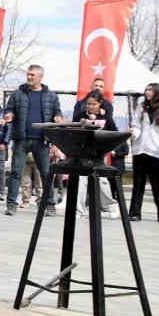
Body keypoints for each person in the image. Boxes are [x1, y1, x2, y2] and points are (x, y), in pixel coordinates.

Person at [3, 65, 64, 217]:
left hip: (42, 140)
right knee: (16, 172)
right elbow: (8, 109)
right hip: (21, 140)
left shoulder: (51, 96)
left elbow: (57, 111)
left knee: (46, 173)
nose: (29, 77)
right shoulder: (17, 94)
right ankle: (11, 204)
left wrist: (58, 117)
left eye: (33, 75)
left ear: (40, 77)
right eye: (28, 74)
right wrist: (9, 115)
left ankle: (49, 205)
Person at [72, 90, 120, 219]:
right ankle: (78, 210)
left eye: (93, 104)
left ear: (100, 104)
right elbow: (72, 131)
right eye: (88, 104)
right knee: (82, 181)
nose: (90, 107)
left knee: (102, 180)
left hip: (99, 153)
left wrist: (110, 148)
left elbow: (114, 134)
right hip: (83, 153)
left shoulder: (106, 118)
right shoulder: (80, 116)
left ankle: (111, 206)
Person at [128, 83, 159, 221]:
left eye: (150, 89)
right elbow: (136, 124)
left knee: (157, 183)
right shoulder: (141, 107)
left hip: (156, 150)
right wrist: (134, 133)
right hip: (140, 149)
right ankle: (135, 213)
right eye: (146, 89)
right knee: (138, 182)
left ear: (156, 92)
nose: (147, 92)